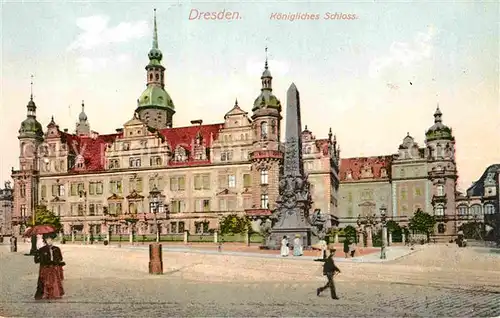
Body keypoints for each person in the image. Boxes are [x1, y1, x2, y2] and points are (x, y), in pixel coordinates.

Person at [34, 232, 65, 300]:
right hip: (45, 268)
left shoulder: (56, 248)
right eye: (47, 240)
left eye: (51, 239)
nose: (49, 241)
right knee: (45, 281)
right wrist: (37, 254)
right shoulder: (42, 249)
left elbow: (60, 258)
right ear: (45, 241)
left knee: (54, 281)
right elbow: (36, 261)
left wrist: (56, 260)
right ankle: (44, 294)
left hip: (53, 268)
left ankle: (55, 294)